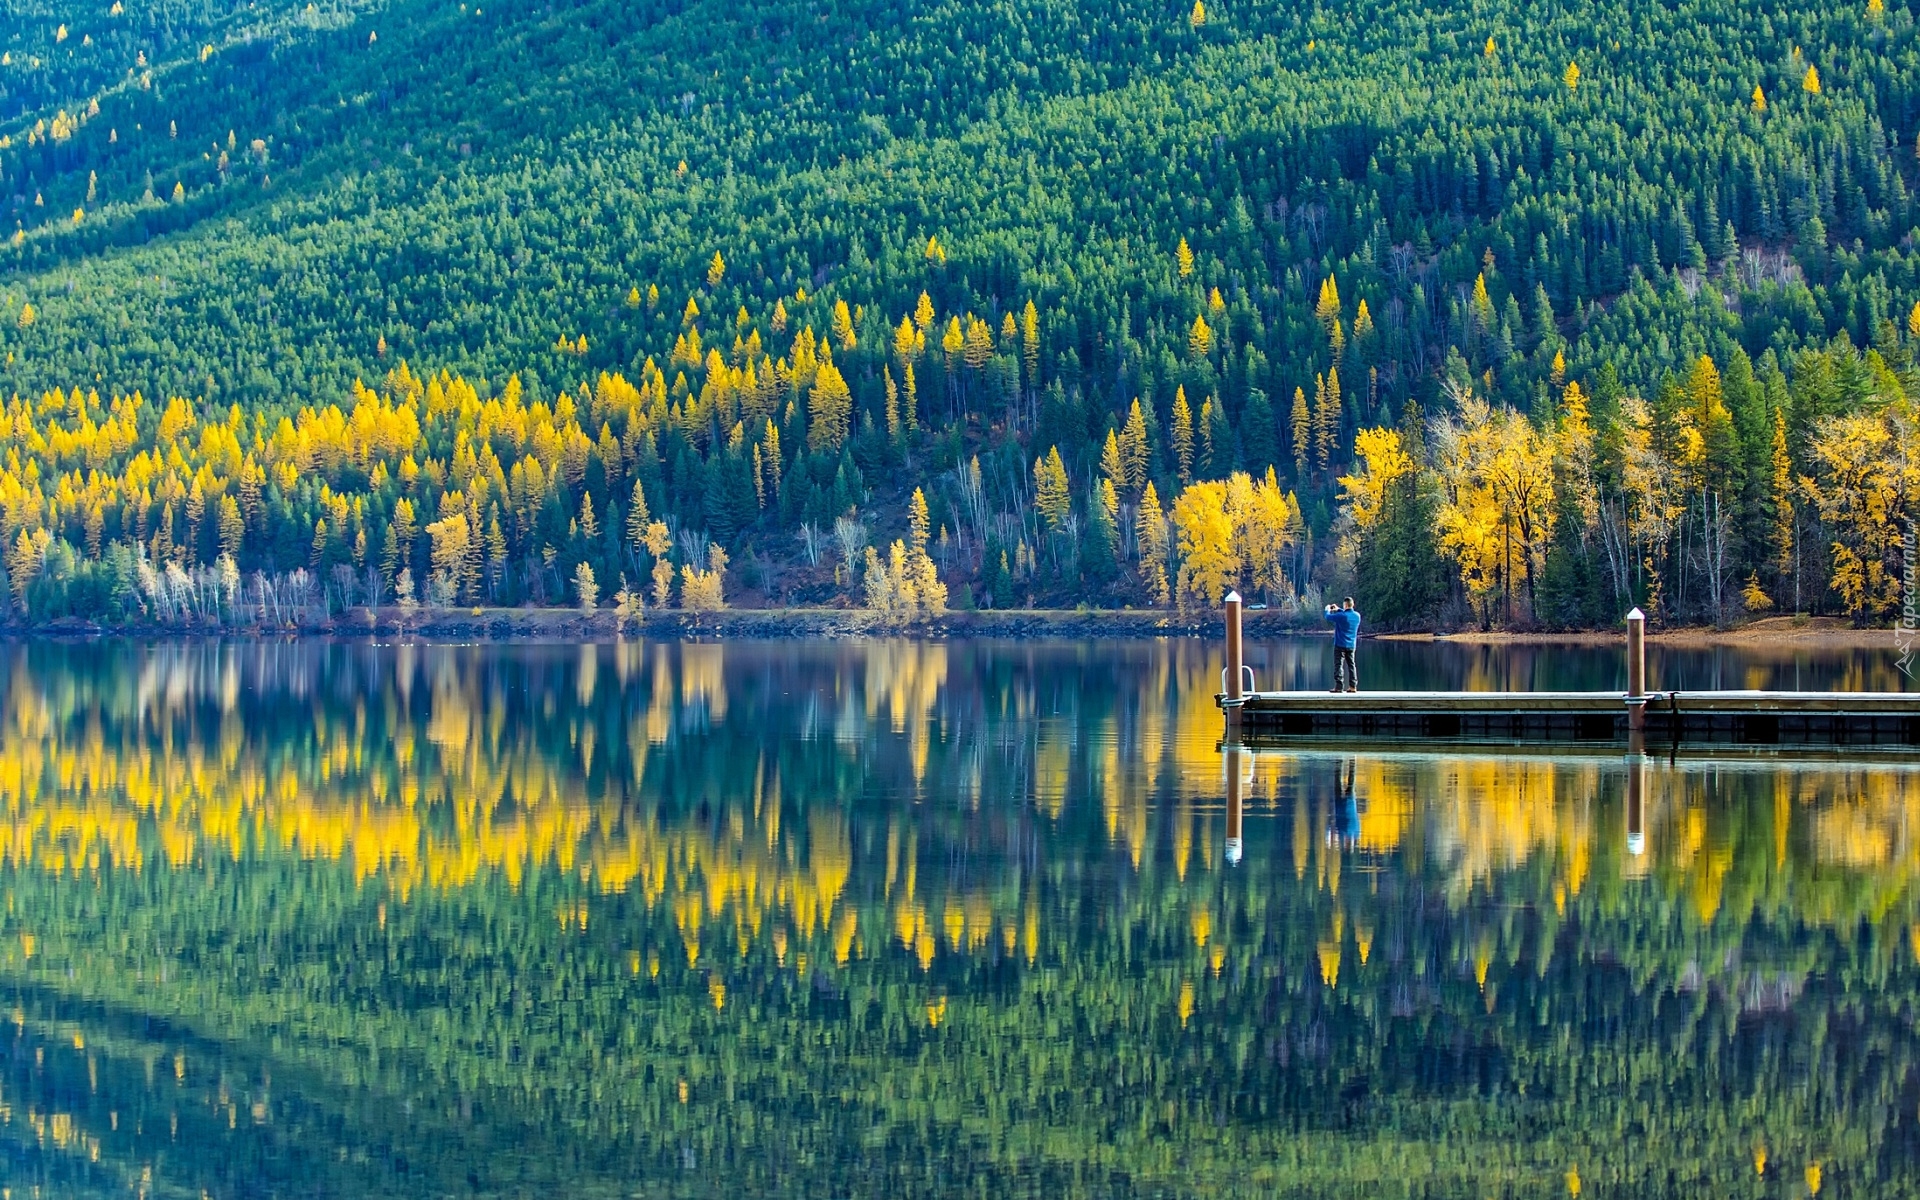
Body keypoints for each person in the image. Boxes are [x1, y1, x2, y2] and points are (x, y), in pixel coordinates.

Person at [1322, 596, 1361, 692]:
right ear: (1353, 605)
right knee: (1352, 665)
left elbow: (1327, 617)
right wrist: (1338, 609)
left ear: (1346, 605)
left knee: (1338, 665)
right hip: (1352, 645)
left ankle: (1339, 687)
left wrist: (1327, 609)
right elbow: (1345, 614)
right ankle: (1353, 686)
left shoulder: (1342, 616)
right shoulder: (1357, 616)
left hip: (1340, 645)